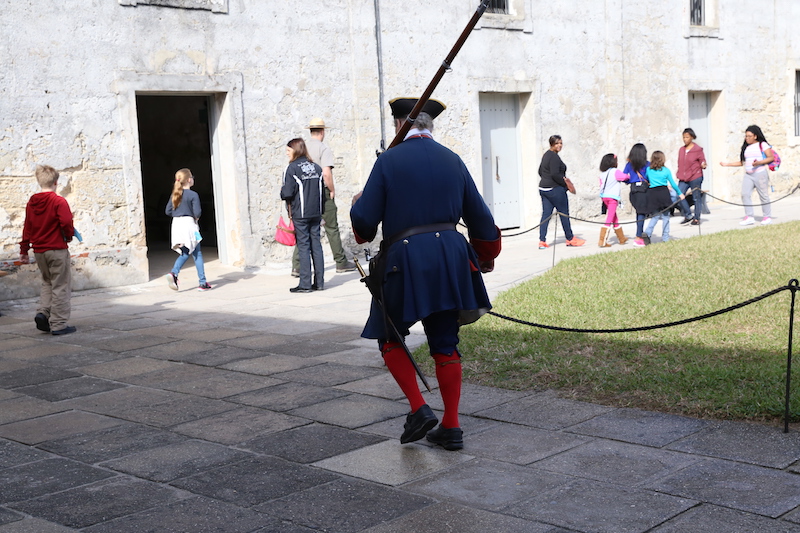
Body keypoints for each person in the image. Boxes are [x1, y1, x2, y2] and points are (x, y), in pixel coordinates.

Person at [350, 97, 501, 451]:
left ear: (399, 124)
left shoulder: (388, 161)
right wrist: (484, 256)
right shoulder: (452, 159)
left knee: (389, 335)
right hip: (450, 259)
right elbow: (482, 221)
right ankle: (451, 425)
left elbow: (364, 226)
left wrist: (358, 202)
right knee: (445, 343)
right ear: (430, 126)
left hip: (403, 260)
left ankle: (419, 408)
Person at [291, 118, 356, 277]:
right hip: (322, 192)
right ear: (322, 131)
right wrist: (332, 190)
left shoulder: (303, 147)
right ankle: (340, 262)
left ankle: (297, 266)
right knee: (331, 227)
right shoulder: (323, 148)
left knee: (304, 227)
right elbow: (326, 173)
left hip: (306, 193)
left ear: (310, 131)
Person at [19, 164, 77, 335]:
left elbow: (27, 227)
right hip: (56, 248)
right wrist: (68, 236)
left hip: (39, 251)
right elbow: (66, 222)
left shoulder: (32, 202)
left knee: (47, 282)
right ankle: (59, 323)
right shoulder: (58, 201)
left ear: (39, 181)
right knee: (60, 285)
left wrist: (24, 250)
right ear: (56, 182)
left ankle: (43, 313)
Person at [282, 138, 324, 293]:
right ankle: (319, 283)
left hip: (301, 213)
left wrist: (282, 192)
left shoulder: (292, 168)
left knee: (304, 247)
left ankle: (305, 284)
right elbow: (323, 191)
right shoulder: (316, 167)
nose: (287, 153)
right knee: (316, 246)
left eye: (288, 150)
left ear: (296, 150)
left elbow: (287, 193)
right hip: (316, 212)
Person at [165, 168, 212, 292]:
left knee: (185, 251)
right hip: (189, 225)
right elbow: (198, 212)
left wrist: (178, 213)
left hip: (176, 225)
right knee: (197, 253)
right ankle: (202, 282)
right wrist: (193, 217)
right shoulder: (193, 195)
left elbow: (168, 211)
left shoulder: (175, 194)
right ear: (189, 180)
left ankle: (174, 274)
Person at [720, 125, 775, 226]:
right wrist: (727, 164)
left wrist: (759, 162)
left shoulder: (762, 145)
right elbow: (742, 163)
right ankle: (749, 217)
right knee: (745, 194)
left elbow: (771, 158)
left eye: (749, 136)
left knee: (763, 196)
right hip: (748, 175)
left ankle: (767, 217)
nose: (747, 138)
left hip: (760, 173)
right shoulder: (746, 147)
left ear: (755, 136)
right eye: (746, 136)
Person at [537, 135, 585, 249]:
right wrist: (565, 185)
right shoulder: (554, 157)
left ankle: (542, 241)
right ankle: (570, 239)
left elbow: (540, 171)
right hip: (555, 189)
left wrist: (546, 179)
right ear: (551, 144)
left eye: (561, 143)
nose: (559, 145)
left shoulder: (546, 155)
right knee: (564, 213)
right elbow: (555, 174)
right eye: (557, 143)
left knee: (546, 215)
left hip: (544, 189)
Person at [644, 151, 685, 243]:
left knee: (655, 216)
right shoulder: (666, 170)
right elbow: (673, 183)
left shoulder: (648, 170)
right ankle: (665, 237)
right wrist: (680, 193)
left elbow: (646, 179)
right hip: (663, 193)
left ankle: (647, 233)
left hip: (653, 193)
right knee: (666, 216)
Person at [676, 128, 707, 226]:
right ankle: (688, 215)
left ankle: (696, 218)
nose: (685, 139)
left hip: (695, 176)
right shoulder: (681, 150)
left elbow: (703, 161)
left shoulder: (698, 149)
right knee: (679, 195)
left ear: (692, 137)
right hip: (683, 177)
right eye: (684, 137)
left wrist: (703, 164)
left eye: (687, 137)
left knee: (696, 198)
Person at [597, 153, 629, 247]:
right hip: (612, 198)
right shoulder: (615, 171)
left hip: (604, 197)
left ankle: (621, 238)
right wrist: (629, 176)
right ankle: (602, 241)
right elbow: (624, 177)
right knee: (609, 219)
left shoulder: (602, 174)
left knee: (614, 218)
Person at [623, 143, 650, 247]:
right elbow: (650, 177)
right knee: (641, 214)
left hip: (633, 191)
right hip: (644, 191)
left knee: (639, 213)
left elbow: (625, 178)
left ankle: (640, 234)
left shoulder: (629, 165)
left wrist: (631, 179)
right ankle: (638, 237)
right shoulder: (647, 164)